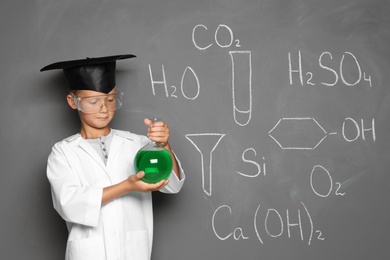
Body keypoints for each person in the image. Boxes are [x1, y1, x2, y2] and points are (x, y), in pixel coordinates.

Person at [40, 54, 185, 260]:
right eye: (93, 101)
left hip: (134, 252)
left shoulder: (138, 144)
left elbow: (173, 185)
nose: (104, 108)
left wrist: (163, 144)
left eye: (110, 99)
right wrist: (127, 186)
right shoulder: (63, 152)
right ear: (73, 102)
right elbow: (69, 204)